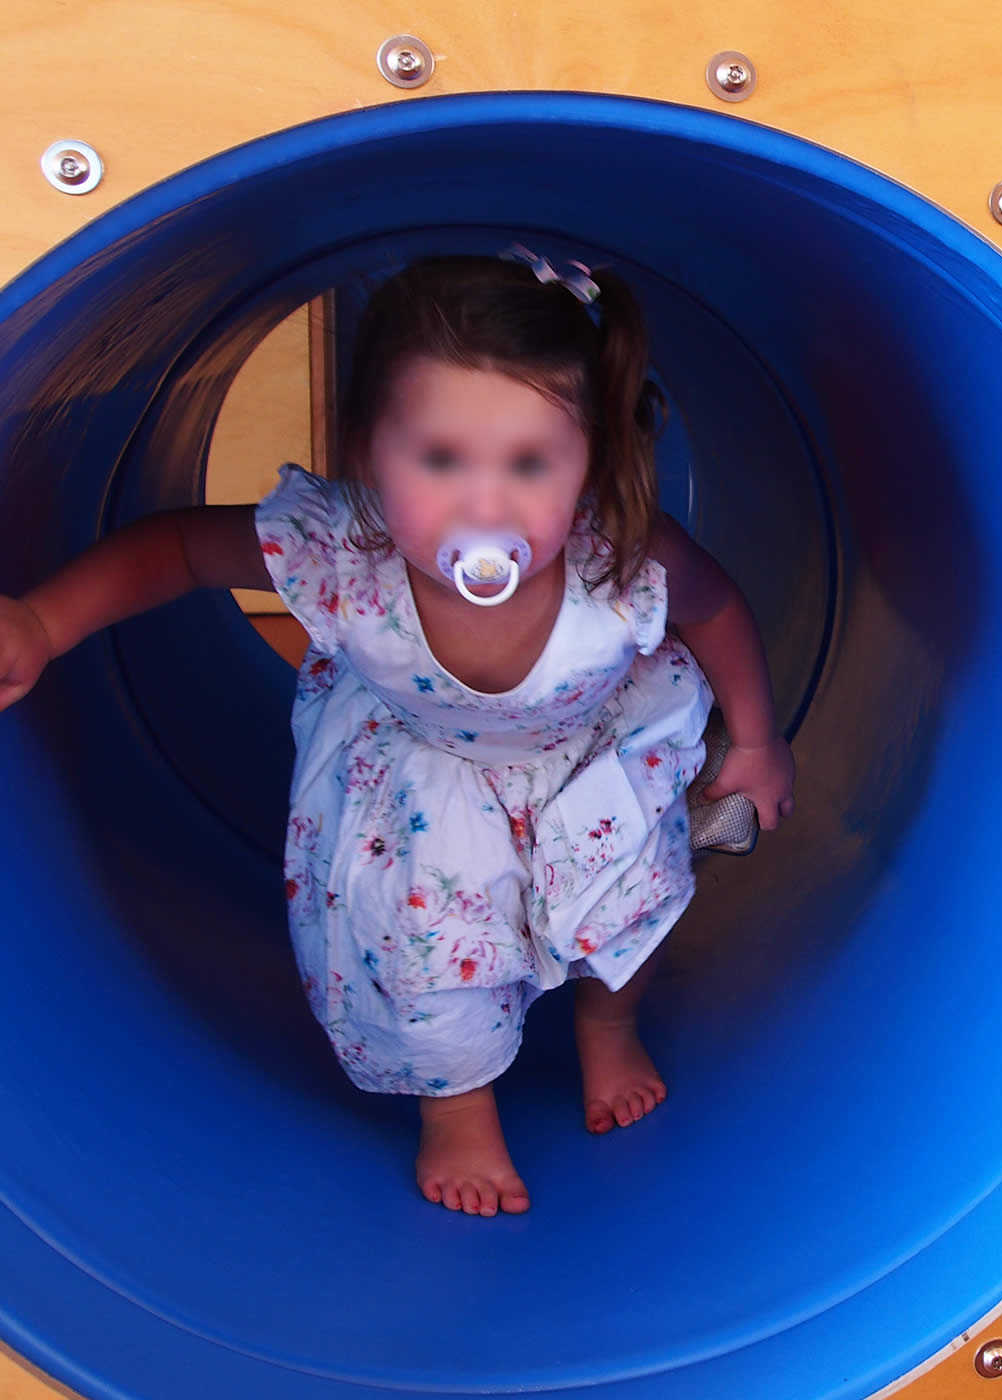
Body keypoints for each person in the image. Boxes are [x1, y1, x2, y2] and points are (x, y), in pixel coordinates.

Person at [0, 251, 796, 1216]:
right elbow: (176, 547)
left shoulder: (619, 550)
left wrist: (753, 739)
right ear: (368, 447)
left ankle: (609, 1024)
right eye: (440, 459)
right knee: (419, 954)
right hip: (425, 782)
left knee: (632, 902)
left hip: (583, 759)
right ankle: (457, 1112)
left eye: (532, 463)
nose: (486, 504)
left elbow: (713, 612)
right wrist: (43, 623)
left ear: (592, 458)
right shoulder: (348, 550)